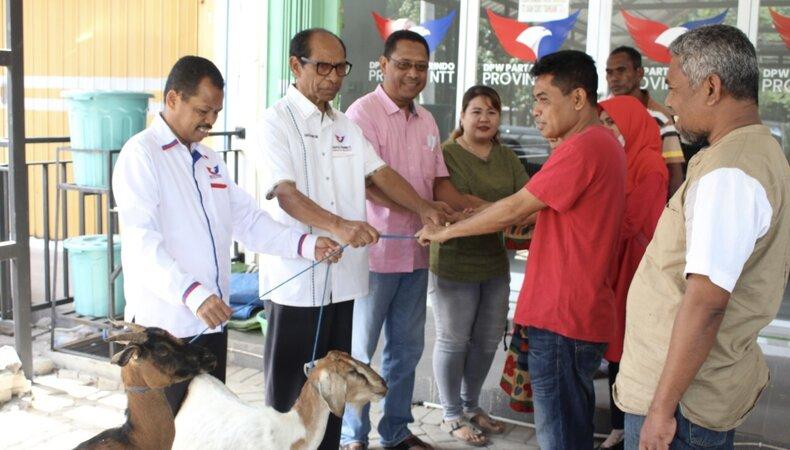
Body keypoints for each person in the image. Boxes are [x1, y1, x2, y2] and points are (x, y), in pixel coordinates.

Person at [417, 50, 626, 450]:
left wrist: (446, 232)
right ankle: (456, 409)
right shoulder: (599, 143)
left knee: (560, 433)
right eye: (534, 100)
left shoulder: (583, 147)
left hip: (564, 316)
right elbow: (529, 210)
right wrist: (469, 217)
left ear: (578, 98)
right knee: (571, 424)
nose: (535, 110)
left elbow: (516, 206)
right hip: (574, 311)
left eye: (544, 99)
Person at [112, 55, 340, 414]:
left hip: (210, 326)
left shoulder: (209, 160)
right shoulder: (141, 155)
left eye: (216, 112)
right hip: (164, 332)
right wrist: (193, 294)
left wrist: (308, 244)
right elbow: (142, 243)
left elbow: (249, 222)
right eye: (202, 110)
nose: (210, 121)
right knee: (162, 430)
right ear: (172, 99)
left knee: (209, 424)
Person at [255, 28, 446, 450]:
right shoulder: (274, 122)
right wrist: (339, 225)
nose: (333, 77)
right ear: (295, 65)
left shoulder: (344, 125)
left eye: (340, 68)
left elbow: (380, 173)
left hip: (342, 283)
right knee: (290, 393)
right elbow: (284, 193)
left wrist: (423, 207)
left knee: (336, 387)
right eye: (322, 67)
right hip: (295, 281)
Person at [613, 25, 790, 450]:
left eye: (674, 88)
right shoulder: (753, 152)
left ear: (711, 87)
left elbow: (707, 303)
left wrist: (661, 410)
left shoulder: (730, 172)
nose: (669, 102)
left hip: (681, 407)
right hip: (690, 395)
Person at [339, 30, 462, 450]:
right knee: (360, 353)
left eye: (421, 67)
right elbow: (368, 184)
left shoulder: (426, 119)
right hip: (374, 257)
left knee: (406, 351)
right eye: (404, 64)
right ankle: (353, 435)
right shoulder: (361, 114)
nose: (413, 74)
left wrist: (474, 210)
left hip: (417, 253)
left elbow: (439, 183)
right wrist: (423, 209)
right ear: (383, 65)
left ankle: (396, 431)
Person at [429, 85, 529, 447]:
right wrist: (505, 210)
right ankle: (450, 413)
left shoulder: (507, 156)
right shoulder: (448, 154)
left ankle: (471, 406)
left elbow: (526, 199)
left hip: (494, 261)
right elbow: (459, 203)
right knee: (453, 340)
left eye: (491, 111)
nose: (484, 118)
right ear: (462, 116)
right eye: (476, 111)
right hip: (454, 261)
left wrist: (499, 209)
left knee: (487, 340)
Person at [597, 95, 669, 450]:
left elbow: (632, 220)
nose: (607, 129)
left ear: (632, 123)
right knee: (617, 344)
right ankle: (619, 424)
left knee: (627, 345)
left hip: (636, 265)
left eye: (612, 122)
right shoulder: (620, 157)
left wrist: (594, 230)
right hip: (617, 259)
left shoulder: (650, 164)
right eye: (603, 123)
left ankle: (626, 425)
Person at [606, 46, 685, 197]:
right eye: (609, 72)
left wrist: (671, 209)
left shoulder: (660, 117)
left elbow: (675, 171)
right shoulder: (602, 113)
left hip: (647, 201)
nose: (614, 78)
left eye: (621, 70)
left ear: (639, 73)